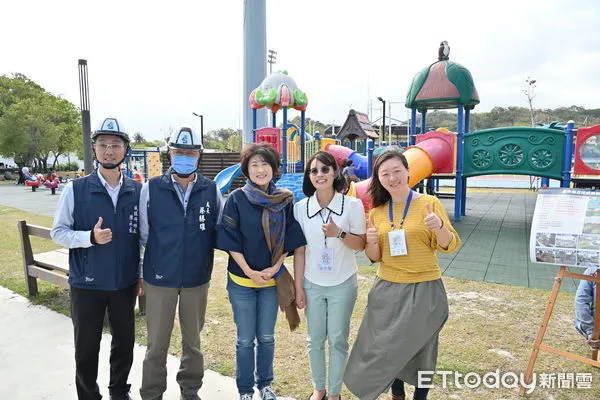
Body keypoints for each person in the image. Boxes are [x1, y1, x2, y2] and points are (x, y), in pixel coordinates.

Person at [343, 149, 461, 400]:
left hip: (425, 289)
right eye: (385, 173)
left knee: (423, 348)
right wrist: (371, 241)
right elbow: (374, 257)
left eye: (397, 171)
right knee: (386, 347)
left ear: (408, 171)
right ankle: (397, 393)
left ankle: (421, 396)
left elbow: (449, 245)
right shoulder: (377, 211)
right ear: (379, 178)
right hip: (387, 289)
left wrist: (439, 227)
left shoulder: (429, 204)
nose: (392, 177)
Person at [50, 117, 141, 400]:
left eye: (115, 145)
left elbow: (143, 238)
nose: (109, 151)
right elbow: (58, 232)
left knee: (124, 343)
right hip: (87, 284)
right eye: (103, 145)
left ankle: (119, 391)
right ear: (94, 149)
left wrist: (139, 274)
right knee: (87, 347)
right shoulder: (75, 189)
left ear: (125, 150)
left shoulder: (137, 191)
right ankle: (88, 395)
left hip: (124, 283)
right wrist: (88, 237)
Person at [138, 126, 223, 400]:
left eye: (190, 152)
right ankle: (152, 393)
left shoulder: (212, 191)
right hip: (159, 277)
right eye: (178, 152)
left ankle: (190, 391)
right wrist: (141, 273)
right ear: (169, 155)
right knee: (156, 344)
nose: (184, 157)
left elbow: (221, 231)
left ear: (199, 156)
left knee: (193, 343)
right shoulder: (150, 189)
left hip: (196, 279)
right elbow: (143, 235)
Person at [217, 143, 306, 400]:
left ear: (274, 168)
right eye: (254, 164)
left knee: (266, 337)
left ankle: (265, 385)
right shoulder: (236, 199)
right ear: (246, 170)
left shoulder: (284, 200)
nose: (260, 169)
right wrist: (249, 271)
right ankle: (245, 390)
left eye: (265, 164)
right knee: (245, 339)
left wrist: (276, 267)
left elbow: (290, 239)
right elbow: (229, 240)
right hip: (241, 282)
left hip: (271, 281)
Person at [293, 151, 366, 400]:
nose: (319, 174)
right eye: (314, 171)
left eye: (325, 169)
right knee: (314, 340)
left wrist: (340, 233)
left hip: (343, 284)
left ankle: (334, 393)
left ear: (335, 172)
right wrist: (298, 287)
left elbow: (361, 245)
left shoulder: (352, 205)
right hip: (312, 284)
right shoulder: (300, 208)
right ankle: (319, 388)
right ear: (309, 176)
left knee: (337, 340)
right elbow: (300, 252)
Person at [575, 267, 600, 349]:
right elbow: (581, 302)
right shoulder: (592, 271)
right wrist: (592, 331)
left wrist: (591, 331)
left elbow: (581, 302)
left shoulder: (592, 270)